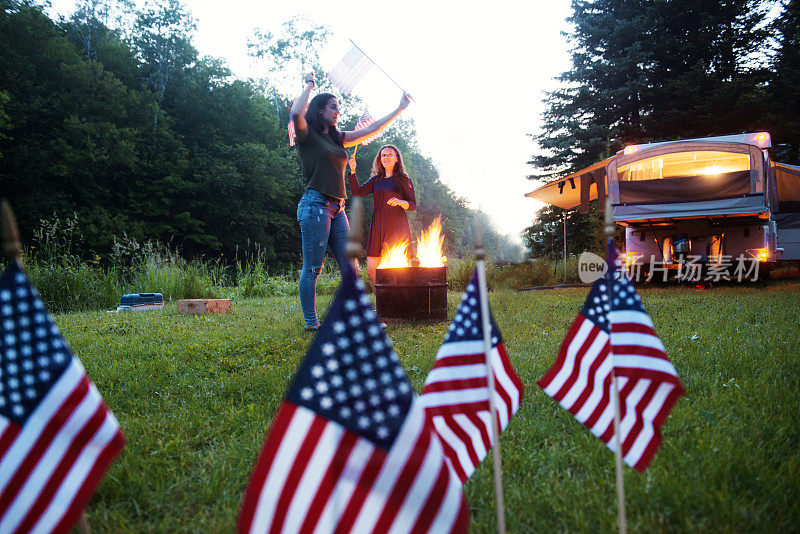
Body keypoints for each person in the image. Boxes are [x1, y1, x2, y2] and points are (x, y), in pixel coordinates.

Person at [291, 72, 411, 330]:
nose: (337, 111)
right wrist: (310, 84)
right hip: (315, 205)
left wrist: (399, 109)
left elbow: (371, 129)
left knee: (351, 268)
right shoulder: (307, 135)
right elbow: (295, 114)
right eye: (333, 107)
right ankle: (312, 322)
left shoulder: (338, 138)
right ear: (320, 109)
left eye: (338, 107)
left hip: (338, 208)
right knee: (313, 267)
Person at [348, 145, 417, 286]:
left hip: (396, 226)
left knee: (396, 271)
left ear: (397, 159)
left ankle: (398, 305)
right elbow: (357, 192)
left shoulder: (403, 179)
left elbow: (413, 204)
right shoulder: (376, 180)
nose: (385, 157)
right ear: (380, 159)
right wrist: (353, 171)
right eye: (383, 155)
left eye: (389, 154)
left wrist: (400, 201)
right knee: (372, 270)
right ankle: (382, 305)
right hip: (377, 225)